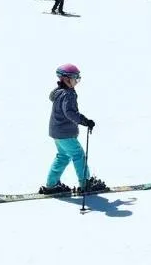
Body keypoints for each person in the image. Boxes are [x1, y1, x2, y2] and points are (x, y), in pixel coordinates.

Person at [39, 63, 105, 196]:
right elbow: (70, 112)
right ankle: (85, 182)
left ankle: (52, 184)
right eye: (75, 78)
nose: (77, 81)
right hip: (65, 133)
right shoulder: (68, 94)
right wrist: (84, 120)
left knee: (63, 156)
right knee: (78, 155)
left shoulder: (58, 93)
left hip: (57, 132)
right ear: (66, 79)